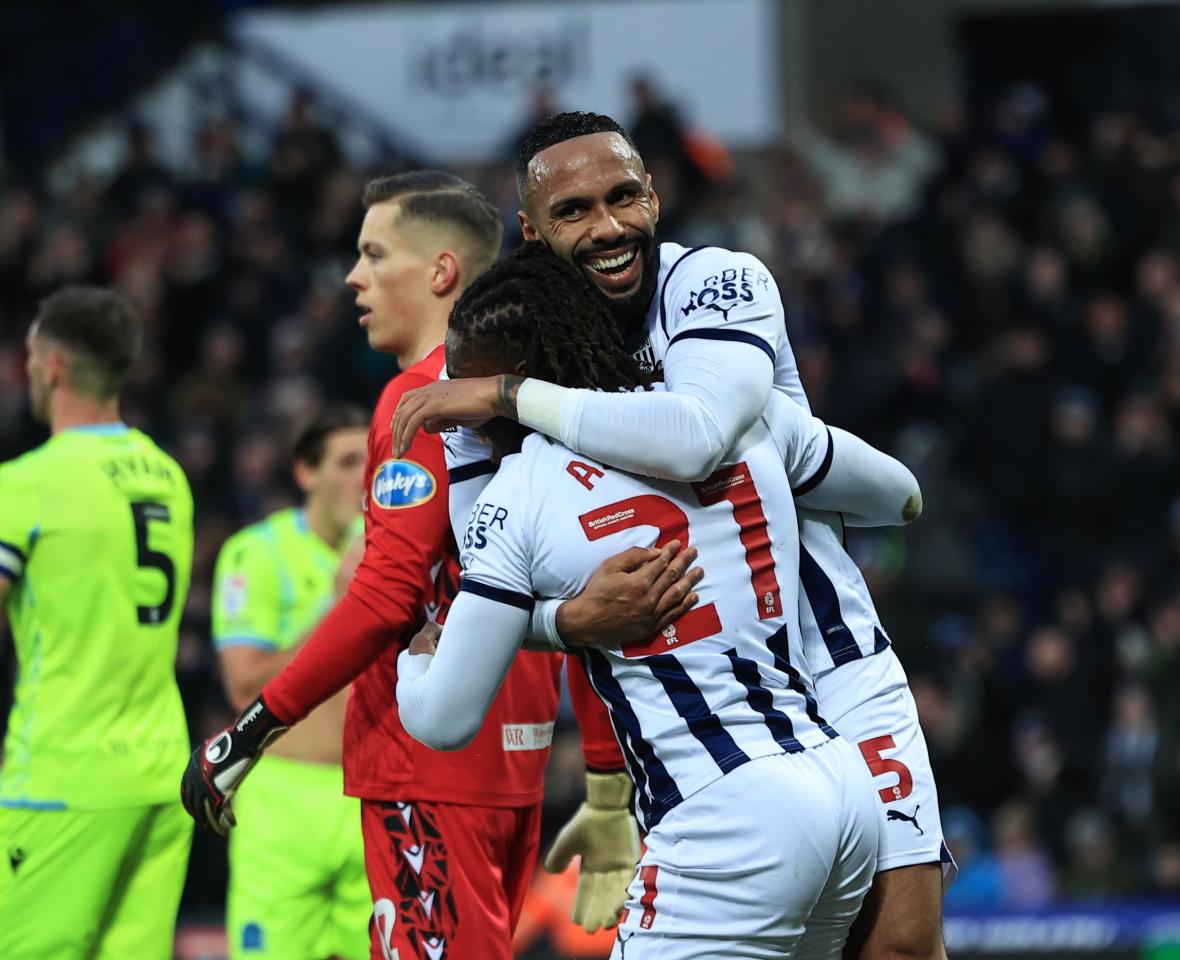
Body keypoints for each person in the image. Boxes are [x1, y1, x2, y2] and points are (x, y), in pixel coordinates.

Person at [391, 112, 951, 960]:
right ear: (533, 231)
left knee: (900, 947)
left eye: (623, 198)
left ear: (656, 197)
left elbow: (692, 437)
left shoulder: (713, 284)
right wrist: (569, 622)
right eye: (574, 211)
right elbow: (498, 576)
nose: (608, 227)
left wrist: (508, 398)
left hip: (830, 661)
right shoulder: (501, 354)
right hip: (722, 719)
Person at [183, 171, 698, 958]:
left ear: (439, 272)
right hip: (513, 770)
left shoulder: (420, 398)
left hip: (426, 770)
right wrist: (603, 779)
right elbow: (592, 602)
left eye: (372, 254)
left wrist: (248, 734)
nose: (353, 277)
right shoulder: (551, 393)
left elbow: (386, 598)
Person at [0, 286, 193, 958]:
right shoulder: (168, 476)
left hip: (63, 781)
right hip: (160, 774)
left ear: (50, 365)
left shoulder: (28, 483)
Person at [212, 405, 370, 959]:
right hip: (284, 797)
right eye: (348, 462)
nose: (363, 477)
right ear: (307, 473)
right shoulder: (254, 554)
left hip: (373, 793)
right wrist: (341, 602)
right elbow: (242, 687)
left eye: (372, 462)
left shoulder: (396, 553)